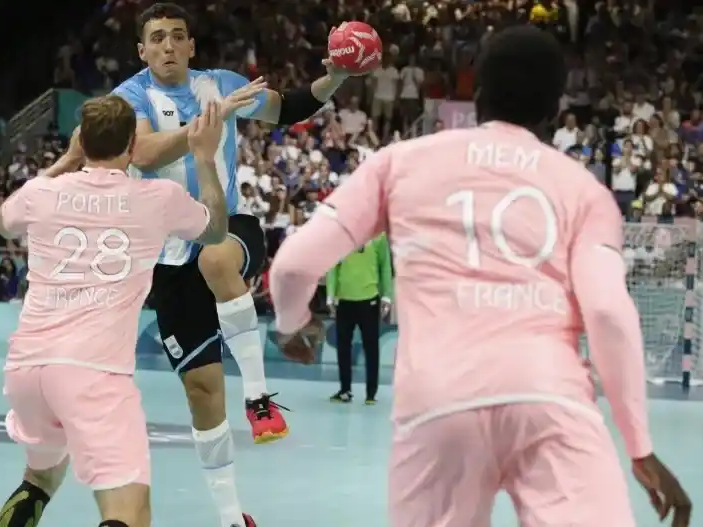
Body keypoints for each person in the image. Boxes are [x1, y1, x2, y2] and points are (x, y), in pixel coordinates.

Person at [268, 26, 692, 527]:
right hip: (550, 396)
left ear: (478, 93)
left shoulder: (398, 163)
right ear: (555, 109)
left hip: (437, 400)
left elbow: (294, 265)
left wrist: (292, 325)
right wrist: (640, 446)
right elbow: (608, 314)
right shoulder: (585, 191)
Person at [44, 4, 367, 526]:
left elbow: (288, 107)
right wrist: (208, 122)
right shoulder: (129, 97)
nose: (168, 45)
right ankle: (232, 517)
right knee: (203, 394)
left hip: (227, 226)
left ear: (191, 46)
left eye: (178, 36)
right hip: (168, 259)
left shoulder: (220, 84)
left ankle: (259, 398)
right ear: (142, 51)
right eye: (158, 38)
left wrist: (335, 77)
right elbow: (145, 153)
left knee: (216, 256)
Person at [0, 95, 233, 527]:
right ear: (132, 147)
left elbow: (2, 222)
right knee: (128, 511)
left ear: (82, 141)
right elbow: (215, 230)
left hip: (26, 370)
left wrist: (66, 161)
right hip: (94, 372)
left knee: (40, 477)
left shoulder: (42, 192)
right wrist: (203, 157)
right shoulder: (158, 198)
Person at [325, 233, 393, 404]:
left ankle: (371, 393)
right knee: (343, 348)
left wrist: (387, 295)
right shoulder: (340, 235)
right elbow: (333, 266)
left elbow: (385, 266)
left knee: (371, 348)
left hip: (369, 299)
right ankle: (345, 390)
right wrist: (330, 295)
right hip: (344, 300)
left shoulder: (379, 236)